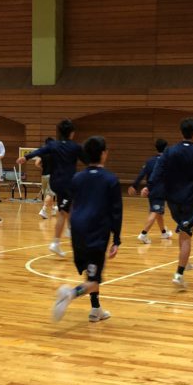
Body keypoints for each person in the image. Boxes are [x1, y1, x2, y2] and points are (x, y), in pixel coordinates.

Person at [52, 136, 123, 323]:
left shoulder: (77, 177)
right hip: (97, 231)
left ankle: (95, 309)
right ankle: (71, 293)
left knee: (91, 271)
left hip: (77, 230)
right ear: (103, 153)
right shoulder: (110, 179)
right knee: (94, 279)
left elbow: (66, 204)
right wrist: (116, 239)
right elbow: (116, 212)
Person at [145, 117, 193, 289]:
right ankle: (179, 275)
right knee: (186, 236)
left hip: (172, 199)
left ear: (181, 132)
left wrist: (149, 187)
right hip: (190, 199)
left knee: (183, 232)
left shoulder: (170, 151)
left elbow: (158, 171)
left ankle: (186, 262)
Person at [19, 120, 85, 257]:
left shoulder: (53, 145)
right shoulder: (74, 147)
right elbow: (87, 160)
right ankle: (58, 241)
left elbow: (39, 151)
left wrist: (26, 157)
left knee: (67, 207)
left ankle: (67, 232)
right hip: (67, 183)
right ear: (72, 133)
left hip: (55, 182)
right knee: (64, 211)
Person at [129, 138, 171, 243]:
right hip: (160, 191)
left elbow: (141, 174)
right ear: (166, 148)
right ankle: (143, 234)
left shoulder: (150, 161)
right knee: (155, 211)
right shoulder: (166, 161)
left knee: (158, 212)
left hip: (151, 190)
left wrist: (134, 186)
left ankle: (164, 232)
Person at [34, 136, 56, 217]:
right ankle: (43, 210)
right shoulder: (54, 153)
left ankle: (53, 208)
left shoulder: (42, 152)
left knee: (48, 194)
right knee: (50, 194)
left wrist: (43, 167)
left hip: (44, 175)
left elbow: (36, 163)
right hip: (52, 176)